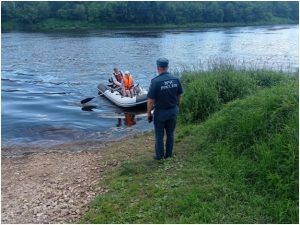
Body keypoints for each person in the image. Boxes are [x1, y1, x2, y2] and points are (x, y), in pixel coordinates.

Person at [147, 58, 183, 160]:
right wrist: (178, 106)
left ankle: (159, 156)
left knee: (159, 135)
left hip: (160, 113)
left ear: (158, 68)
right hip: (173, 111)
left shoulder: (155, 82)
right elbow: (179, 95)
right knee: (170, 134)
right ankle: (169, 155)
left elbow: (150, 101)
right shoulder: (176, 79)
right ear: (167, 67)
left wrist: (149, 113)